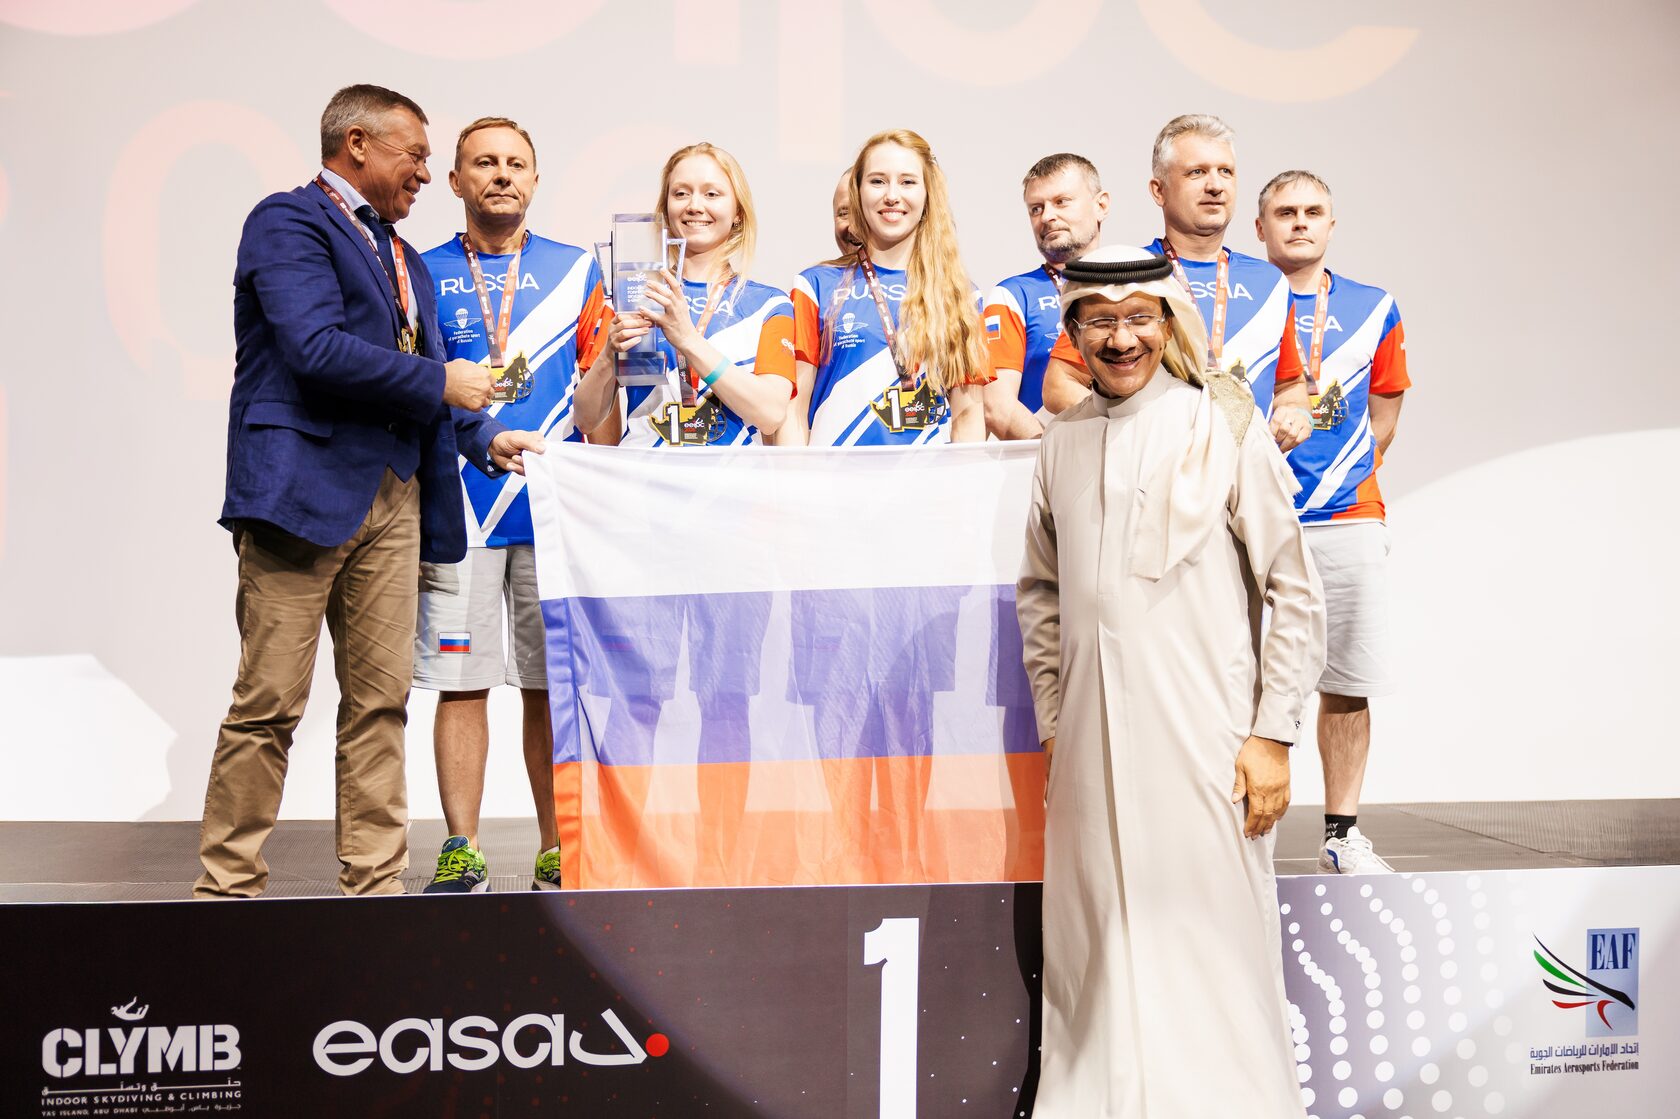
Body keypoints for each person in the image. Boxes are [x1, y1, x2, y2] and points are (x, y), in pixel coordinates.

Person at [198, 84, 538, 898]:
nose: (424, 172)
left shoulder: (405, 258)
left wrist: (483, 437)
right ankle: (227, 892)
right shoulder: (287, 221)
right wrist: (443, 383)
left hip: (396, 502)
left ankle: (376, 890)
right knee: (269, 704)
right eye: (414, 155)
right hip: (300, 495)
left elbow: (425, 383)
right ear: (357, 143)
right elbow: (314, 348)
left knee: (380, 705)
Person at [1018, 244, 1324, 1116]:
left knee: (1212, 942)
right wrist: (1055, 720)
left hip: (1208, 741)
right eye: (1099, 321)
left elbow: (1294, 587)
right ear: (1075, 331)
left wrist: (1273, 734)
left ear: (1167, 322)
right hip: (1088, 748)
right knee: (1097, 948)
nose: (1121, 339)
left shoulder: (1219, 426)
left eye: (1137, 318)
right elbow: (1041, 593)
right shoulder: (1061, 443)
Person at [574, 142, 795, 883]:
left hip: (734, 534)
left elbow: (769, 410)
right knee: (636, 698)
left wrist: (687, 338)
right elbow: (593, 424)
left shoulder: (770, 305)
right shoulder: (622, 296)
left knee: (725, 701)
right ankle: (627, 860)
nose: (695, 205)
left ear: (738, 211)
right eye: (681, 192)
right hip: (644, 532)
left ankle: (722, 859)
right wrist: (610, 353)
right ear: (663, 207)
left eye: (711, 192)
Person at [413, 116, 614, 893]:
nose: (501, 174)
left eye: (516, 163)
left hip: (551, 508)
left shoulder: (578, 270)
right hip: (457, 510)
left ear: (534, 179)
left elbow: (602, 392)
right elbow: (411, 387)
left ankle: (556, 846)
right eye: (484, 163)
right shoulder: (420, 271)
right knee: (461, 681)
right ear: (456, 181)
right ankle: (461, 846)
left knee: (547, 685)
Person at [1256, 169, 1411, 875]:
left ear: (1331, 224)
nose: (1299, 222)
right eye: (1285, 211)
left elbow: (1385, 416)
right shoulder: (1240, 301)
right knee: (1238, 677)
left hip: (1347, 516)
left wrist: (1339, 477)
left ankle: (1341, 834)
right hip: (1254, 518)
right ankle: (1239, 834)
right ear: (1260, 227)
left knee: (1346, 681)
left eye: (1313, 211)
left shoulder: (1374, 307)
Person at [1041, 114, 1313, 452]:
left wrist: (1295, 412)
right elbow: (1059, 385)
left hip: (1246, 472)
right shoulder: (1127, 272)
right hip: (1152, 473)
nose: (1215, 185)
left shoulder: (1271, 282)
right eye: (1196, 172)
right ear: (1159, 190)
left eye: (1225, 171)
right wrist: (1138, 435)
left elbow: (1290, 385)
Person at [786, 127, 993, 446]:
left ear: (927, 194)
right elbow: (794, 414)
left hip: (929, 476)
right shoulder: (814, 286)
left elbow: (967, 417)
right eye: (878, 181)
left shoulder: (960, 293)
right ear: (858, 192)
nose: (892, 195)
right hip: (835, 476)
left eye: (907, 182)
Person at [981, 153, 1109, 439]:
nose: (1047, 216)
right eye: (1036, 209)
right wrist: (1056, 456)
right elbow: (998, 407)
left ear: (1101, 205)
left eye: (1061, 201)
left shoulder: (1136, 284)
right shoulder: (1013, 295)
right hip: (1043, 459)